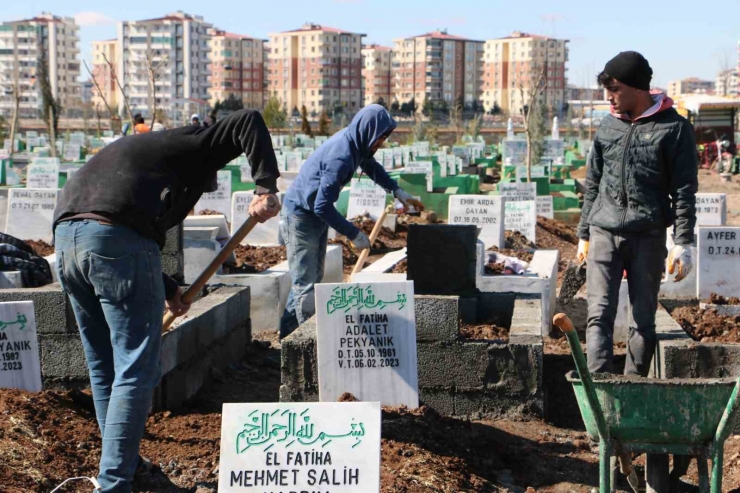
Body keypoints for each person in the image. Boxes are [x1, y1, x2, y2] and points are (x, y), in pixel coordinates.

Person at [52, 109, 281, 492]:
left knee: (104, 366)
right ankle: (114, 483)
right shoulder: (196, 141)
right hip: (115, 240)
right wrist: (265, 187)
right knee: (134, 368)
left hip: (68, 243)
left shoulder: (145, 154)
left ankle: (125, 466)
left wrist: (165, 286)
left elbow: (106, 224)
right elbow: (249, 120)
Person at [576, 51, 697, 377]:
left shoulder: (674, 129)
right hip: (603, 231)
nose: (609, 98)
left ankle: (632, 389)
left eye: (614, 90)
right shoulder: (608, 126)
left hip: (648, 235)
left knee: (642, 319)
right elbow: (593, 182)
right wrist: (584, 233)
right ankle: (600, 391)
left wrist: (683, 241)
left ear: (638, 88)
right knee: (598, 314)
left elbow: (684, 189)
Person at [279, 104, 423, 338]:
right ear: (369, 130)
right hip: (301, 215)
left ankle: (287, 337)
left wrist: (397, 190)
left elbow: (371, 167)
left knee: (311, 278)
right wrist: (353, 233)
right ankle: (305, 342)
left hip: (313, 213)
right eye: (381, 137)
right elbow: (321, 206)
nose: (382, 143)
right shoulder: (342, 155)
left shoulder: (356, 143)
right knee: (305, 283)